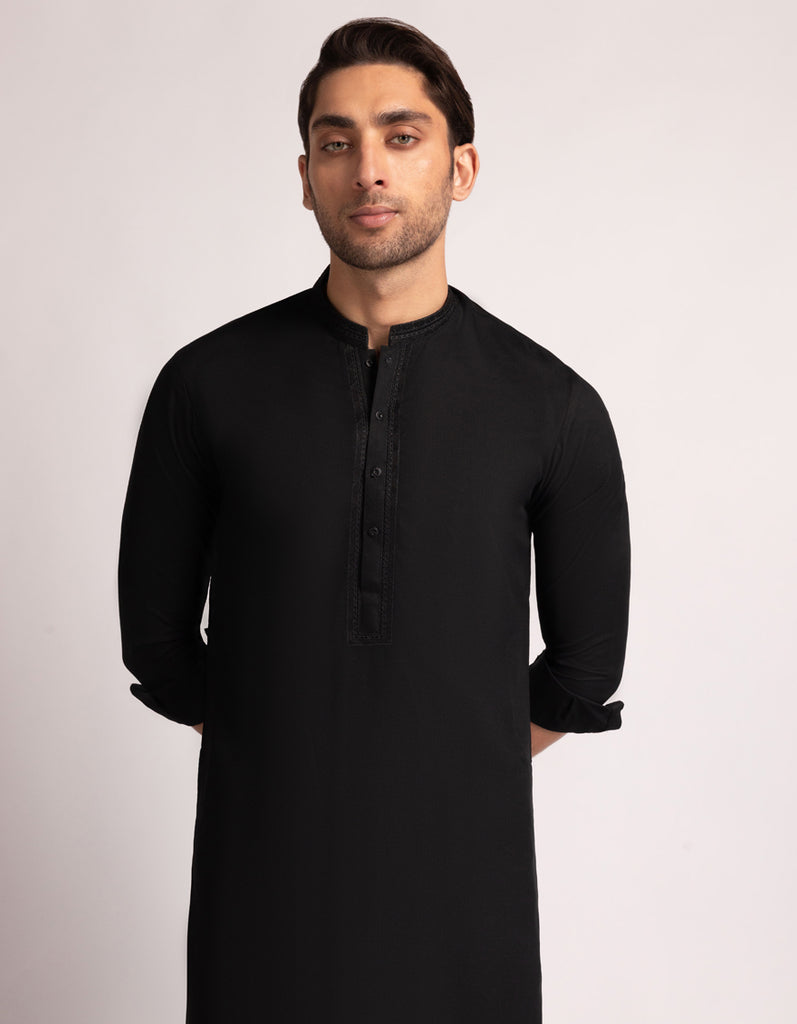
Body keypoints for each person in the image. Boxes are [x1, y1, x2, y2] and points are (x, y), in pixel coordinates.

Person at [117, 17, 631, 1024]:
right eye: (335, 141)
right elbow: (159, 643)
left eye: (401, 135)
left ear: (460, 167)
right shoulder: (206, 385)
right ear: (305, 176)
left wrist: (437, 757)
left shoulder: (551, 406)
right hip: (262, 907)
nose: (367, 169)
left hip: (463, 908)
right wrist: (290, 745)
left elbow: (583, 667)